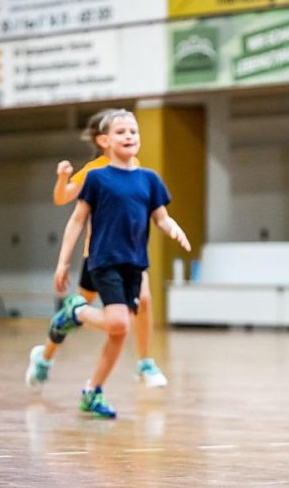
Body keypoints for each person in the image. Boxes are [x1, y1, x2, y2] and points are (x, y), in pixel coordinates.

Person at [31, 109, 190, 418]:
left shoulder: (145, 176)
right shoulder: (95, 174)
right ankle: (48, 352)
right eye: (121, 131)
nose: (129, 135)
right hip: (100, 256)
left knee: (129, 315)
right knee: (114, 321)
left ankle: (113, 378)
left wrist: (172, 227)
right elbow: (69, 207)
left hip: (132, 259)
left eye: (133, 131)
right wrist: (63, 262)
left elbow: (160, 216)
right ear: (104, 140)